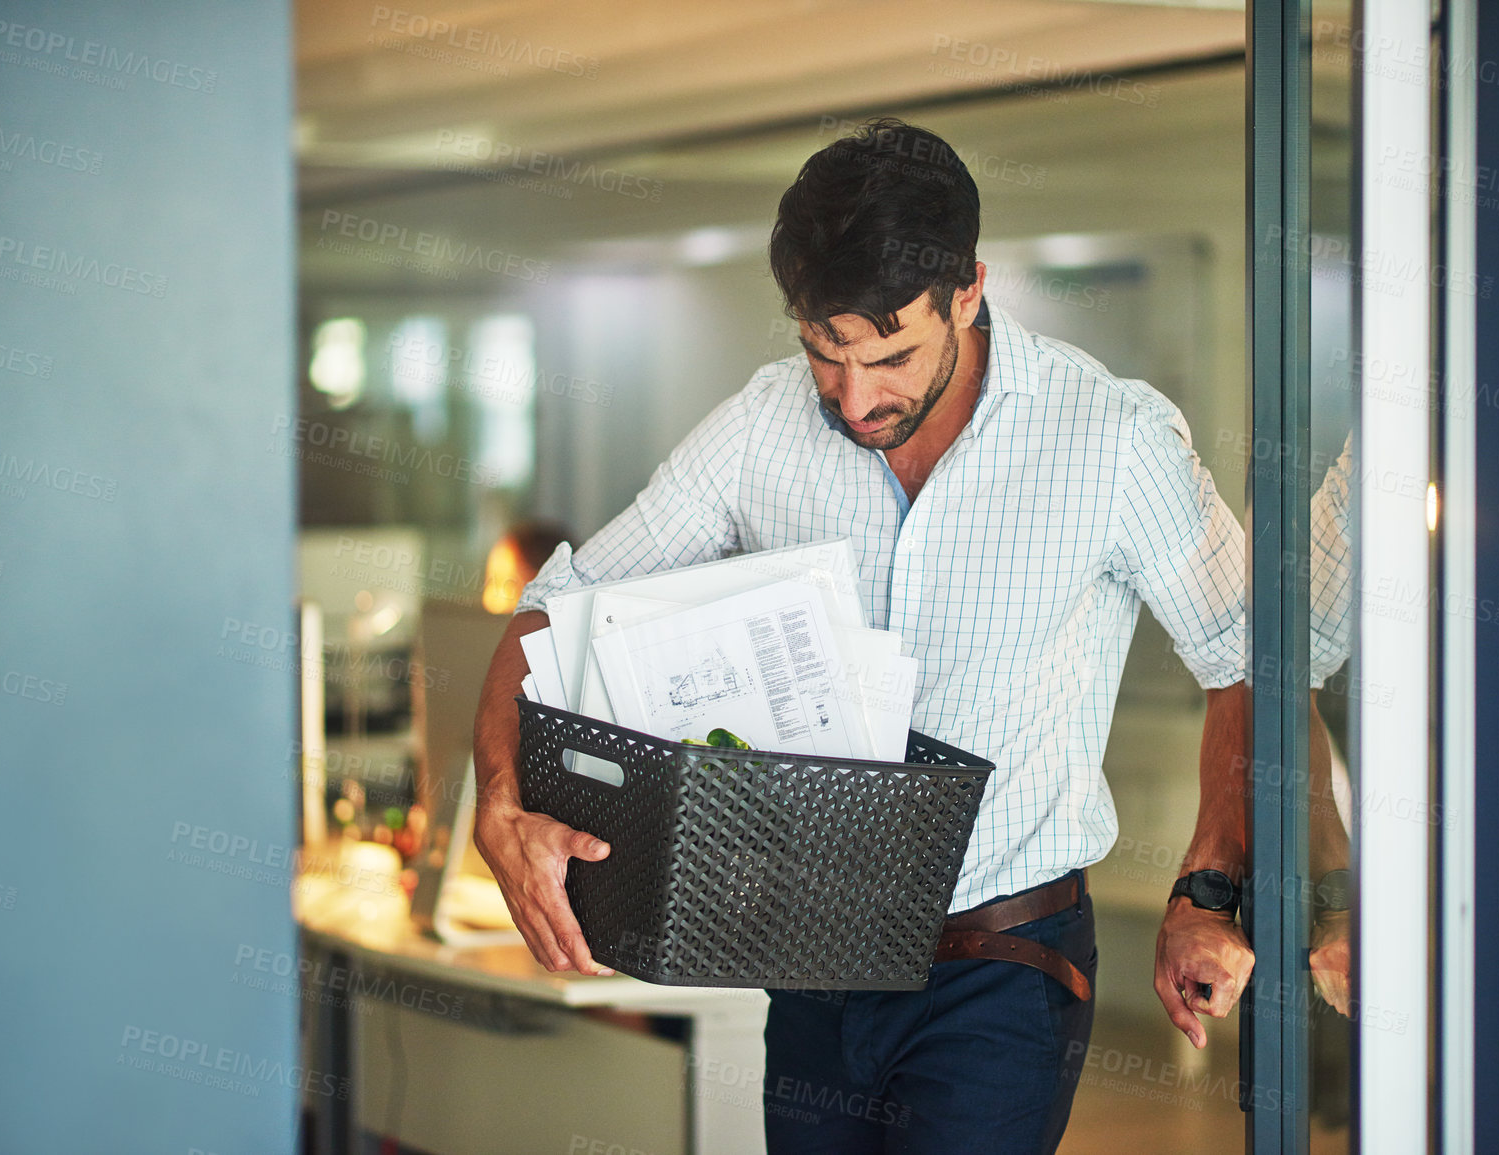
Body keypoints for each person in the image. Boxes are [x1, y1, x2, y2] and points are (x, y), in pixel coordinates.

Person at [470, 117, 1319, 1153]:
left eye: (892, 356)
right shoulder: (762, 424)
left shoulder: (1112, 439)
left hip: (1005, 964)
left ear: (969, 288)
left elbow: (1253, 666)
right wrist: (501, 807)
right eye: (825, 354)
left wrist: (1206, 887)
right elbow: (554, 605)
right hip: (810, 960)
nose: (856, 397)